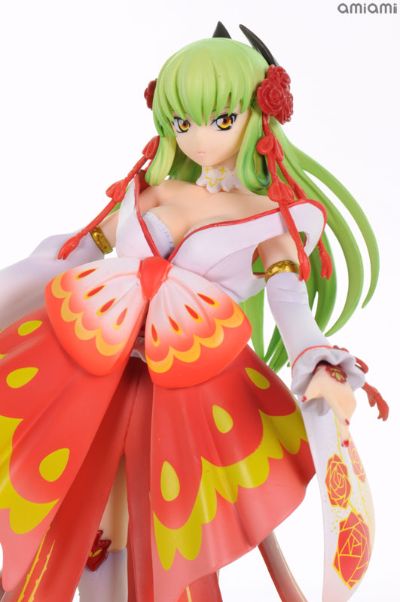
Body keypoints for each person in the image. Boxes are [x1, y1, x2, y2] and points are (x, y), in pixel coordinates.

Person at [0, 23, 387, 602]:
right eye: (183, 122)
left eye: (221, 119)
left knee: (161, 521)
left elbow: (290, 307)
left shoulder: (269, 218)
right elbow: (71, 255)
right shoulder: (153, 192)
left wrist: (321, 367)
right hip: (95, 369)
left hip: (185, 389)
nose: (199, 139)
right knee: (77, 503)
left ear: (260, 117)